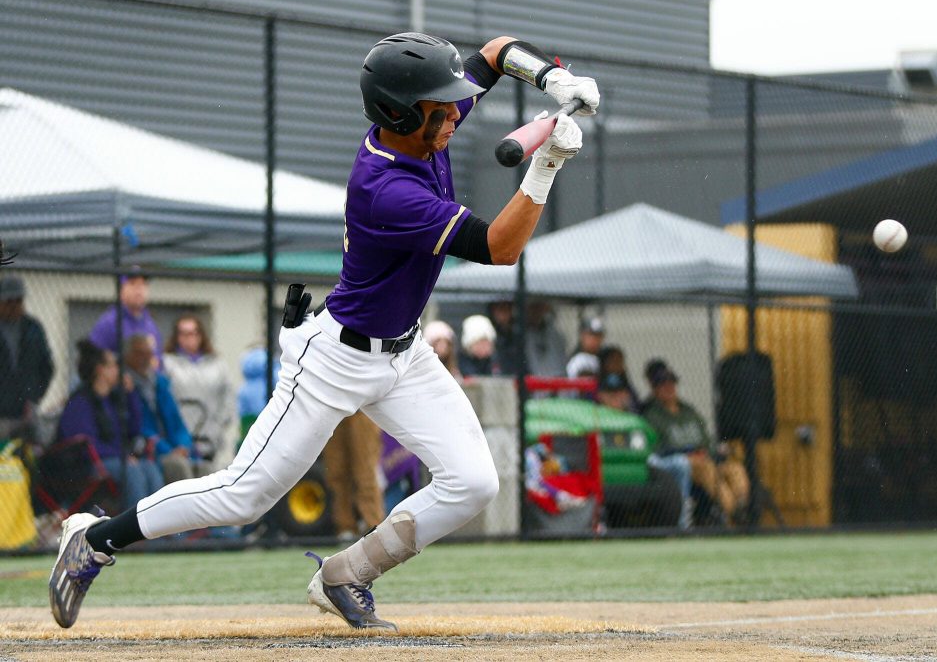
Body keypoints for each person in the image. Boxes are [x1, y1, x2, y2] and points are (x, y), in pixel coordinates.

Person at [49, 31, 596, 631]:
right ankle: (94, 538)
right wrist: (545, 165)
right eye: (440, 108)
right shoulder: (386, 188)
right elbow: (501, 246)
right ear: (399, 112)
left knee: (472, 482)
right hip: (335, 360)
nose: (453, 116)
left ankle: (346, 574)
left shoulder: (419, 124)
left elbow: (494, 52)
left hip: (405, 354)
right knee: (244, 495)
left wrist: (550, 80)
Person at [57, 340, 163, 510]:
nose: (119, 371)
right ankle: (136, 530)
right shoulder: (81, 402)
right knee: (132, 472)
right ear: (100, 370)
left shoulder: (113, 400)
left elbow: (134, 430)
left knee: (150, 468)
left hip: (115, 459)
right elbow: (85, 445)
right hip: (87, 465)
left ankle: (163, 531)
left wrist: (131, 395)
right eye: (113, 365)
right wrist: (122, 456)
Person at [642, 365, 749, 526]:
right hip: (684, 461)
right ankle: (734, 513)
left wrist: (714, 451)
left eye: (672, 383)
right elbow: (656, 451)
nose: (669, 387)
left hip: (705, 457)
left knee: (735, 468)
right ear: (655, 389)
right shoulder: (652, 416)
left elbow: (706, 440)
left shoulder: (689, 411)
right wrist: (687, 454)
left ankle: (741, 506)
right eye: (663, 384)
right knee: (708, 470)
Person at [163, 315, 238, 470]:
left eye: (194, 333)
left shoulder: (217, 364)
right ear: (176, 337)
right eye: (184, 333)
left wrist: (217, 427)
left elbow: (228, 398)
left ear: (201, 335)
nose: (189, 338)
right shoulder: (167, 363)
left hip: (210, 440)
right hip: (178, 441)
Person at [123, 334, 200, 483]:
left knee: (206, 469)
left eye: (149, 353)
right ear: (128, 356)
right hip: (153, 453)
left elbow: (177, 423)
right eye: (140, 353)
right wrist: (169, 451)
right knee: (178, 466)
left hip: (175, 449)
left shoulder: (160, 383)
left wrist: (184, 445)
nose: (145, 358)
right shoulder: (127, 386)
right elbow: (141, 428)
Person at [0, 276, 54, 441]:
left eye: (18, 300)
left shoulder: (32, 328)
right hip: (2, 414)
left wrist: (34, 396)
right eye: (9, 301)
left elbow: (47, 367)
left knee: (31, 454)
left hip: (26, 410)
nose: (14, 306)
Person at [322, 412, 386, 542]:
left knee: (365, 471)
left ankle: (373, 526)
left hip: (362, 407)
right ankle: (345, 528)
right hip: (331, 408)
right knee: (336, 473)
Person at [89, 270, 163, 365]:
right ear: (120, 290)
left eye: (143, 284)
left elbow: (158, 362)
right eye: (132, 284)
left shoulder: (150, 324)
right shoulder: (110, 322)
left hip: (148, 378)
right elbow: (94, 360)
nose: (139, 289)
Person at [524, 300, 568, 377]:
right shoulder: (520, 334)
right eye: (532, 307)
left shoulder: (555, 335)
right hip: (532, 382)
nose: (535, 312)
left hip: (555, 381)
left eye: (539, 307)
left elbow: (560, 367)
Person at [487, 300, 517, 375]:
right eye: (500, 310)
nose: (503, 314)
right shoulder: (489, 331)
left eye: (506, 310)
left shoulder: (515, 333)